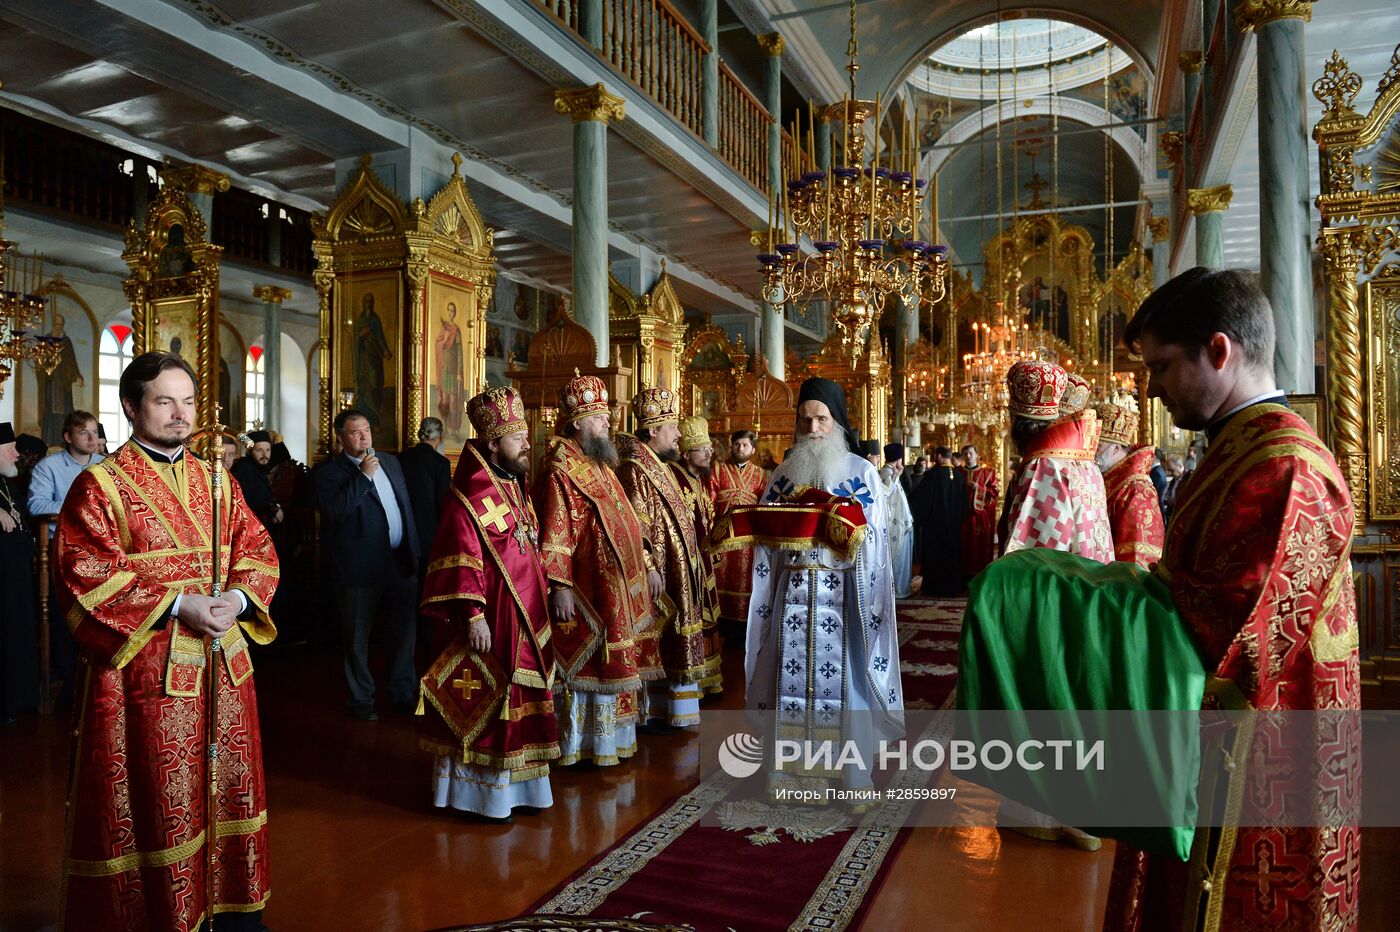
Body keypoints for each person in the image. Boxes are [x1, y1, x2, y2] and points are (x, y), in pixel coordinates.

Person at [1102, 268, 1360, 931]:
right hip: (1214, 746)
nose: (1151, 388)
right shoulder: (1238, 449)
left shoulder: (1285, 466)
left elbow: (1228, 631)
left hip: (1264, 754)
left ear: (1219, 351)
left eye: (1161, 366)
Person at [52, 352, 279, 930]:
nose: (181, 415)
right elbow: (84, 571)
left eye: (187, 401)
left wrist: (238, 600)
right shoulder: (100, 484)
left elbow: (255, 550)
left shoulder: (216, 479)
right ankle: (160, 913)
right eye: (164, 401)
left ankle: (227, 911)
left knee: (226, 788)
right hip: (145, 678)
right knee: (158, 798)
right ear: (131, 407)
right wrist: (180, 604)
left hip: (223, 671)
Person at [739, 377, 902, 790]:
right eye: (805, 420)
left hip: (844, 598)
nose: (813, 429)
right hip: (792, 599)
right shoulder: (784, 474)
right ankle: (790, 774)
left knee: (847, 683)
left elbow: (878, 542)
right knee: (786, 682)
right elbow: (767, 544)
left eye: (822, 420)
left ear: (838, 423)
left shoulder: (862, 472)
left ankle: (850, 775)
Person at [419, 387, 558, 824]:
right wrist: (473, 614)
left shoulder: (514, 484)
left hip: (527, 613)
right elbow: (460, 557)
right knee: (493, 696)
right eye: (517, 439)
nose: (526, 445)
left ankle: (522, 789)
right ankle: (482, 796)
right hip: (492, 616)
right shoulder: (468, 495)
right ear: (493, 443)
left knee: (522, 693)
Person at [533, 373, 650, 766]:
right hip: (585, 585)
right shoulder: (561, 470)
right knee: (588, 663)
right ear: (578, 422)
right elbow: (555, 530)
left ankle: (609, 742)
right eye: (600, 417)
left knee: (611, 660)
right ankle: (582, 744)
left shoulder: (598, 462)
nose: (607, 424)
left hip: (611, 585)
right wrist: (559, 585)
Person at [615, 388, 713, 729]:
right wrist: (649, 565)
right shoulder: (634, 467)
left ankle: (673, 708)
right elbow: (634, 523)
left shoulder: (658, 464)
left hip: (677, 569)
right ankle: (658, 709)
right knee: (661, 636)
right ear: (653, 431)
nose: (678, 434)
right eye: (672, 427)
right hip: (659, 573)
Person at [315, 408, 421, 720]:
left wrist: (415, 551)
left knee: (404, 633)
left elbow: (405, 507)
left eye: (367, 431)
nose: (364, 437)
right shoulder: (328, 473)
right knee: (357, 639)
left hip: (399, 560)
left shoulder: (390, 461)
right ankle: (361, 699)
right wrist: (362, 475)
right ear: (341, 438)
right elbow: (336, 511)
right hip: (359, 569)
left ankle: (403, 693)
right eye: (355, 433)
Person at [1001, 360, 1114, 562]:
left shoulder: (1043, 466)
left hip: (1062, 586)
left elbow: (1034, 556)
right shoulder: (1086, 461)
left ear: (1015, 422)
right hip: (1088, 580)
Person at [674, 416, 723, 696]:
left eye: (709, 448)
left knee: (709, 616)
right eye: (702, 448)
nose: (709, 452)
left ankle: (710, 678)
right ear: (685, 453)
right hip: (688, 561)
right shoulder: (675, 477)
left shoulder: (700, 479)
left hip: (703, 557)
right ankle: (696, 681)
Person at [708, 429, 769, 639]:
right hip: (722, 539)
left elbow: (764, 507)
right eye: (736, 444)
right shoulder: (717, 469)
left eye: (744, 445)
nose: (740, 448)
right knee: (720, 581)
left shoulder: (761, 475)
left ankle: (743, 632)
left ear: (752, 449)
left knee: (745, 581)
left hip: (748, 542)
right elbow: (709, 502)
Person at [400, 417, 453, 655]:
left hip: (403, 534)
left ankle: (407, 641)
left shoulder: (403, 458)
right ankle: (427, 642)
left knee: (405, 593)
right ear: (439, 436)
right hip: (430, 536)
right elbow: (444, 503)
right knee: (427, 591)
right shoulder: (440, 463)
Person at [1093, 402, 1165, 569]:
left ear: (1116, 448)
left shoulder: (1137, 490)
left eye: (1099, 445)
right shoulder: (1110, 480)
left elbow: (1136, 561)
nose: (1092, 450)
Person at [1, 422, 39, 724]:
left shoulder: (9, 484)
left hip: (19, 574)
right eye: (10, 448)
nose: (17, 454)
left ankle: (22, 699)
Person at [27, 410, 103, 520]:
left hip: (101, 535)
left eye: (95, 432)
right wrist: (79, 506)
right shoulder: (47, 466)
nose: (91, 438)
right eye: (83, 432)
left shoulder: (105, 464)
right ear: (68, 437)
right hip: (62, 534)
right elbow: (36, 506)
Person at [915, 446, 966, 597]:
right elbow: (964, 504)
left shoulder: (932, 475)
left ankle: (934, 587)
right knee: (952, 554)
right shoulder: (959, 476)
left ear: (938, 456)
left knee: (936, 555)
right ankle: (954, 586)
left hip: (935, 526)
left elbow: (921, 500)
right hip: (954, 526)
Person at [879, 442, 914, 598]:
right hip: (895, 523)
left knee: (903, 558)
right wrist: (896, 477)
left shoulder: (893, 471)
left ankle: (903, 588)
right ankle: (898, 590)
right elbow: (886, 493)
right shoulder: (886, 472)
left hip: (902, 522)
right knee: (899, 558)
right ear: (898, 458)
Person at [352, 293, 392, 428]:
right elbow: (355, 341)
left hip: (375, 358)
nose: (368, 304)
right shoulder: (360, 321)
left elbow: (380, 337)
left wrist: (385, 350)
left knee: (375, 385)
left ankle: (375, 420)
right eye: (366, 302)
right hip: (364, 359)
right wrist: (360, 336)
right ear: (363, 304)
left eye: (370, 302)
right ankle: (367, 422)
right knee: (365, 389)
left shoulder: (375, 320)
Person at [958, 444, 998, 579]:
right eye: (965, 454)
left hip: (980, 516)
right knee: (963, 544)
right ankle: (963, 575)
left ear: (977, 455)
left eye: (970, 453)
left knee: (980, 544)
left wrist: (979, 488)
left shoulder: (987, 473)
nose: (968, 456)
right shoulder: (958, 473)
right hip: (963, 516)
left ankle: (981, 575)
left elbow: (995, 492)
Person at [230, 429, 282, 529]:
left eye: (268, 450)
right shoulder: (243, 469)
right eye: (259, 450)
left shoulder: (262, 469)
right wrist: (274, 513)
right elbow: (252, 503)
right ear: (250, 452)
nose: (264, 455)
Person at [434, 303, 465, 433]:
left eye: (453, 311)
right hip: (444, 369)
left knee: (453, 402)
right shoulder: (444, 327)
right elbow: (438, 343)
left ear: (455, 313)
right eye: (449, 311)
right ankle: (445, 427)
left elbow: (459, 351)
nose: (451, 313)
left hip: (453, 370)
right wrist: (444, 339)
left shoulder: (456, 330)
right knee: (445, 400)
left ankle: (454, 428)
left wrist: (459, 372)